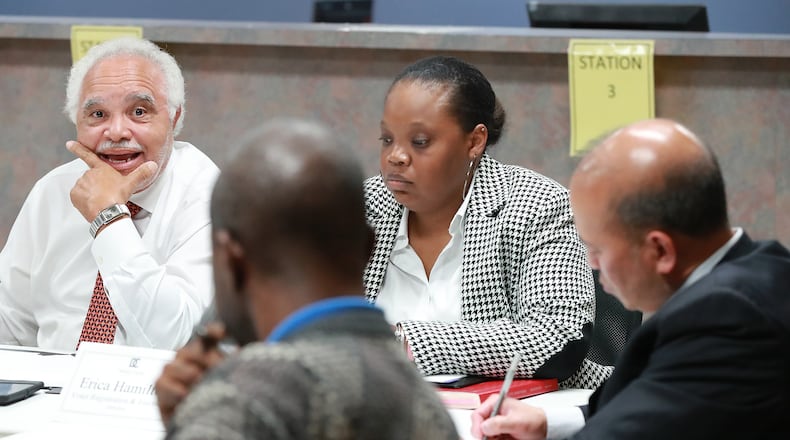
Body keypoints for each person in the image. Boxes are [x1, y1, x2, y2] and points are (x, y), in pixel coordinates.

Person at [471, 118, 790, 439]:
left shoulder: (726, 317)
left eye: (596, 248)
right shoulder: (766, 267)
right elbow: (648, 401)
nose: (592, 264)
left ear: (660, 250)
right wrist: (547, 423)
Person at [155, 118, 458, 439]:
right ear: (368, 247)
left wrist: (196, 420)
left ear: (232, 261)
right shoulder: (430, 409)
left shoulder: (241, 403)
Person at [364, 55, 595, 381]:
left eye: (419, 141)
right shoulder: (359, 209)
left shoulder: (535, 205)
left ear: (474, 141)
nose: (395, 157)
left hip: (515, 416)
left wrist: (402, 342)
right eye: (387, 139)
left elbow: (559, 337)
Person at [0, 37, 218, 351]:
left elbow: (177, 338)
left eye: (139, 111)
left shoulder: (206, 192)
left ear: (174, 117)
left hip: (154, 394)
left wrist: (109, 217)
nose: (116, 132)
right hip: (50, 392)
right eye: (98, 115)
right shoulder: (52, 190)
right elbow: (11, 323)